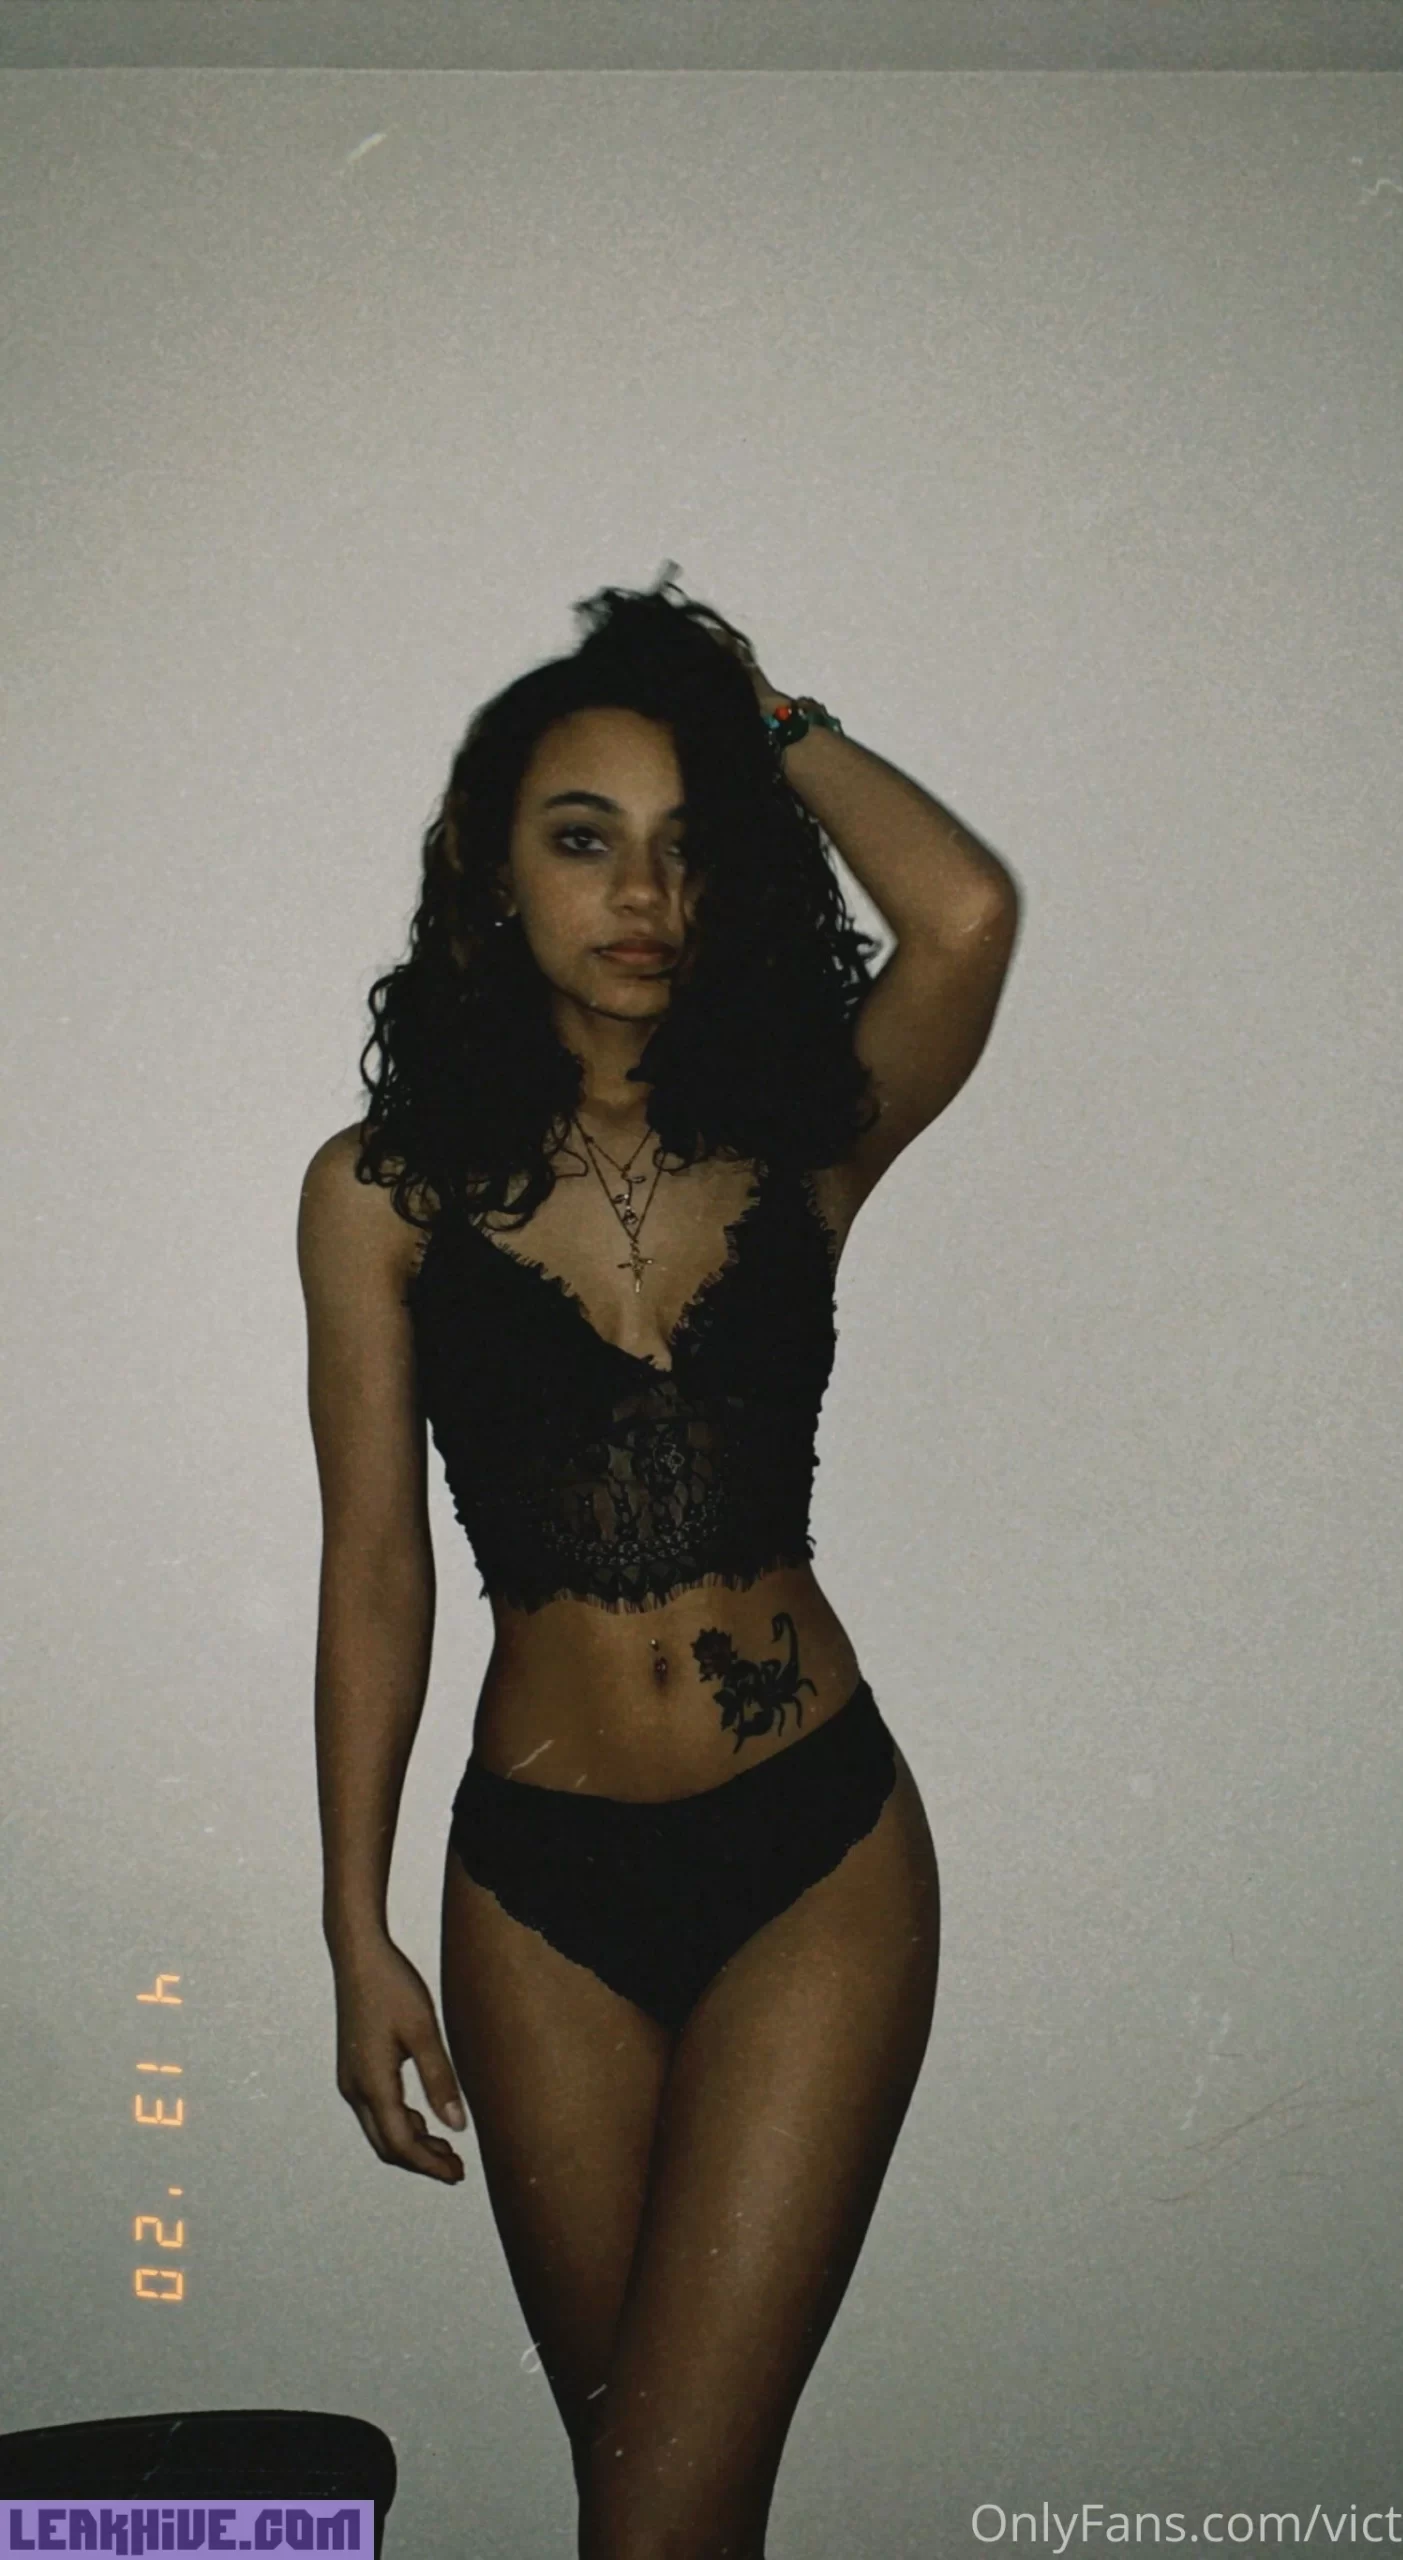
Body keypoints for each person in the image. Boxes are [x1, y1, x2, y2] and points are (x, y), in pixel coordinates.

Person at [296, 571, 1021, 2559]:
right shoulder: (379, 1193)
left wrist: (759, 711)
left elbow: (965, 914)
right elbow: (374, 1567)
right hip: (534, 1897)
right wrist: (356, 1924)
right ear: (491, 870)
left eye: (687, 845)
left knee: (659, 2521)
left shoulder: (803, 1141)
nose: (640, 889)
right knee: (641, 2497)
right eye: (583, 836)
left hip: (813, 1857)